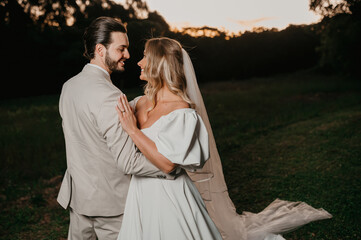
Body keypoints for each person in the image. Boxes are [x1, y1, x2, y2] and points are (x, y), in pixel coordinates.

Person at [116, 37, 332, 240]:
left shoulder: (182, 113)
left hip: (170, 198)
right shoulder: (138, 103)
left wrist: (133, 130)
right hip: (140, 193)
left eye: (145, 56)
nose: (139, 61)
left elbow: (167, 164)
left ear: (160, 63)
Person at [57, 17, 176, 240]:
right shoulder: (110, 96)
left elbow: (87, 134)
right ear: (100, 50)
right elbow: (128, 161)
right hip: (111, 206)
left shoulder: (69, 86)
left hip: (79, 198)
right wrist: (171, 167)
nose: (128, 56)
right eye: (121, 49)